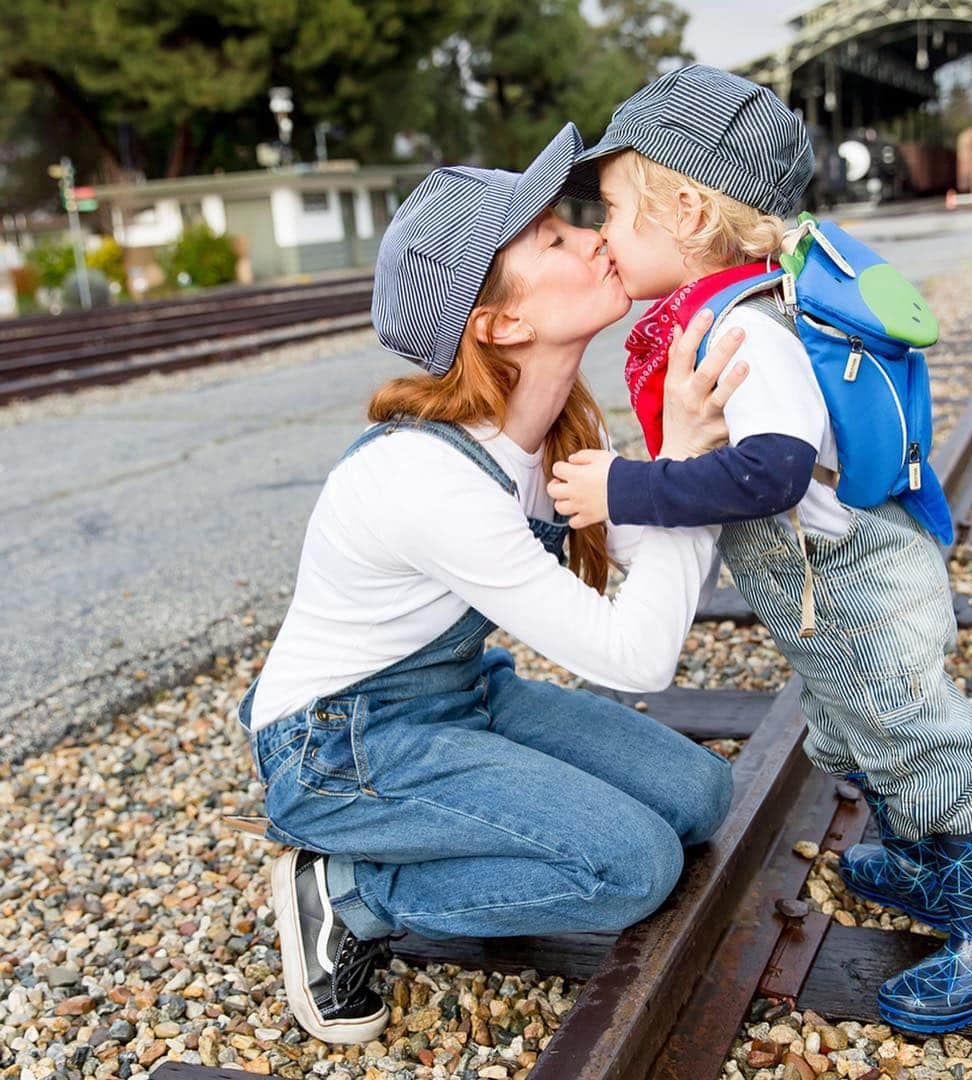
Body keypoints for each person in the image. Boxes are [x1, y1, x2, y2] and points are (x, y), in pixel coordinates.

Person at [235, 122, 750, 1045]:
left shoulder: (555, 437)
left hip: (460, 697)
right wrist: (681, 462)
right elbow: (638, 658)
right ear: (501, 323)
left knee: (703, 802)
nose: (597, 235)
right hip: (342, 742)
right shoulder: (429, 481)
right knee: (632, 866)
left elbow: (656, 550)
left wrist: (680, 479)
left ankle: (414, 844)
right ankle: (353, 891)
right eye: (556, 238)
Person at [549, 66, 972, 1033]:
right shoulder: (727, 313)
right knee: (860, 734)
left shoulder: (748, 334)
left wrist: (627, 486)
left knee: (916, 742)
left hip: (861, 591)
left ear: (686, 209)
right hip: (826, 599)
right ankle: (922, 865)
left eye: (609, 209)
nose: (601, 232)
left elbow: (769, 472)